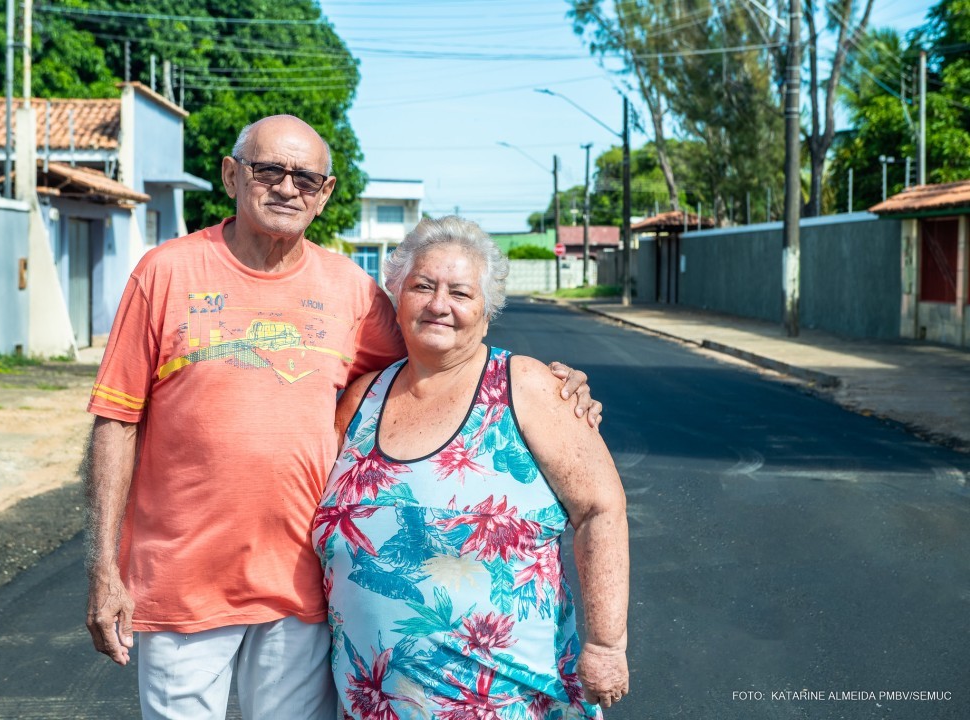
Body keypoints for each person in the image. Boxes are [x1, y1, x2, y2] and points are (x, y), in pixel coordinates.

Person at [82, 115, 602, 720]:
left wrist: (549, 384)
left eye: (305, 177)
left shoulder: (350, 290)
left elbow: (441, 350)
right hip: (181, 583)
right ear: (230, 175)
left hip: (301, 590)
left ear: (325, 194)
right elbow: (115, 421)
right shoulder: (165, 273)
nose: (286, 187)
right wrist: (102, 570)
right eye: (268, 170)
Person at [313, 215, 629, 719]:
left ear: (486, 310)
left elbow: (600, 509)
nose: (439, 305)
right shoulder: (361, 397)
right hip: (370, 703)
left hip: (509, 699)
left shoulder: (526, 386)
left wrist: (607, 644)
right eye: (423, 286)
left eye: (460, 292)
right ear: (397, 296)